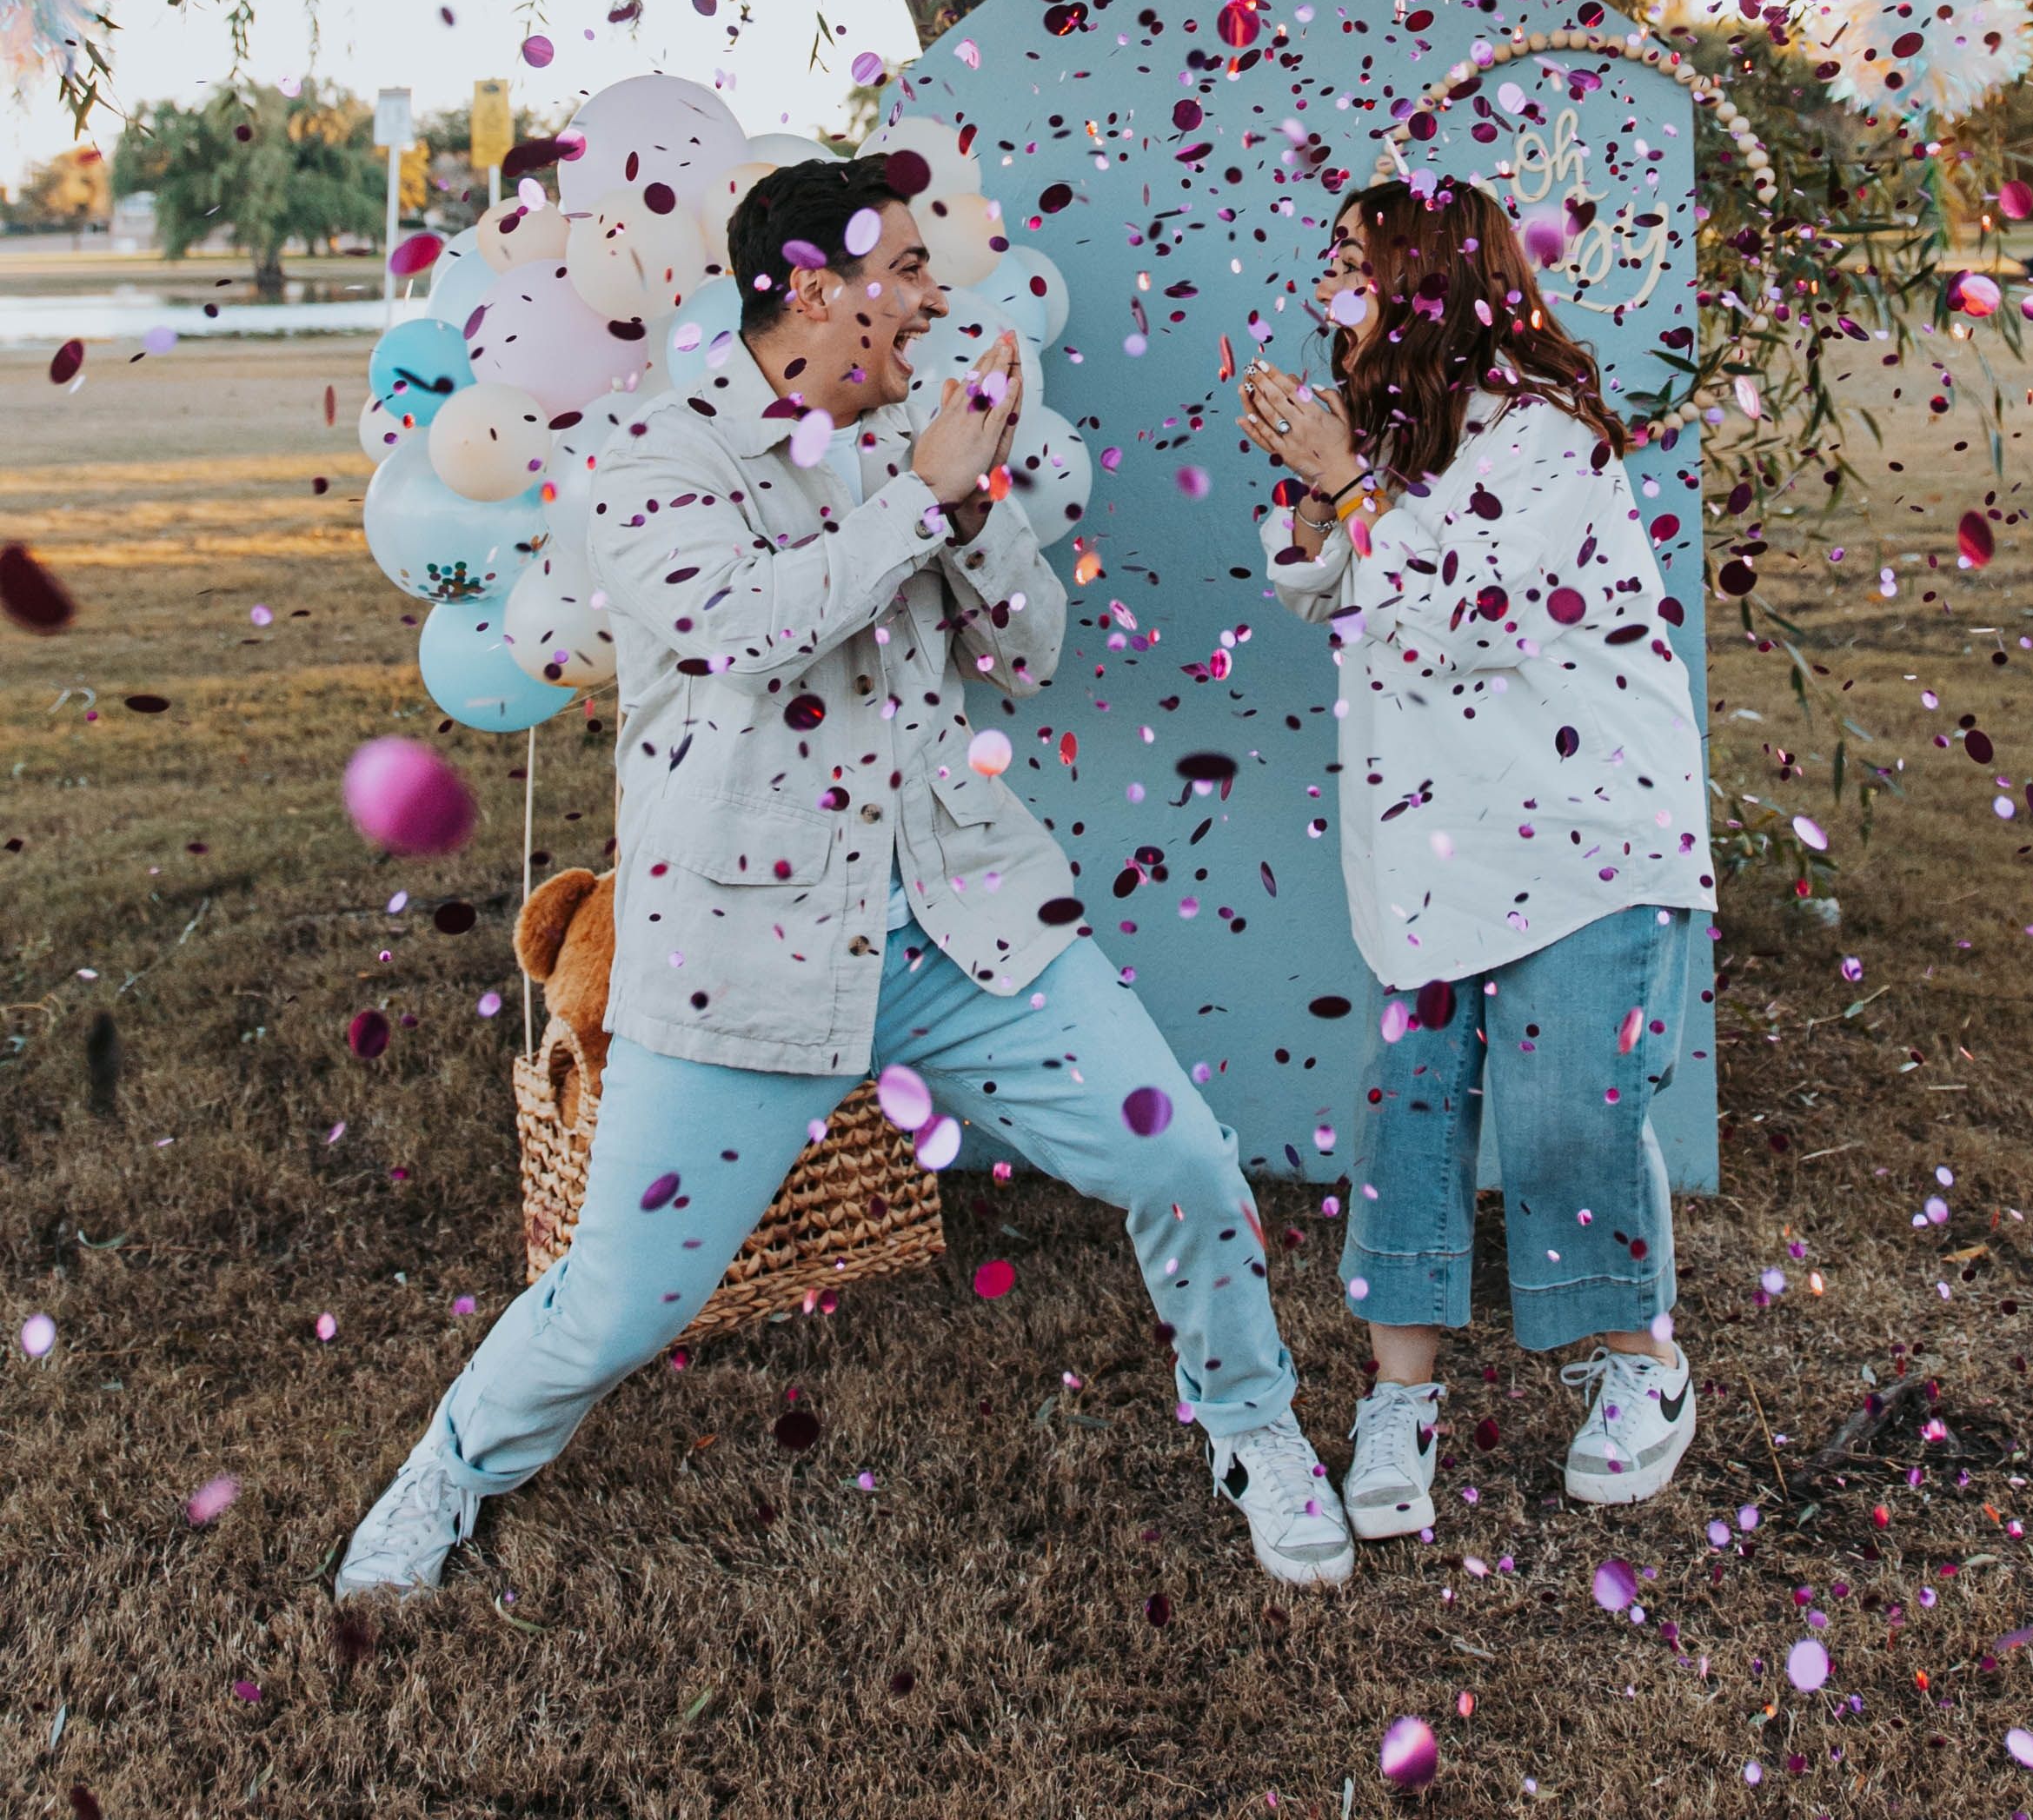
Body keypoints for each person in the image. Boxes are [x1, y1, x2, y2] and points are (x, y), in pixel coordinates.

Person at [340, 155, 1353, 1597]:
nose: (939, 302)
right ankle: (447, 1470)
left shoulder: (917, 452)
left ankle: (1254, 1427)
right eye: (912, 276)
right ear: (818, 288)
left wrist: (979, 492)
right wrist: (919, 500)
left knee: (1184, 1160)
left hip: (966, 922)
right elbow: (748, 630)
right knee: (625, 1300)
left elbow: (1026, 655)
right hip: (740, 952)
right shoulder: (652, 462)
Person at [1236, 175, 1716, 1538]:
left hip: (1583, 834)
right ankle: (1404, 1396)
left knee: (1571, 1108)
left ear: (1431, 277)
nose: (1337, 280)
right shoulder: (1399, 435)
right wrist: (1318, 489)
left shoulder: (1549, 435)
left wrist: (1346, 477)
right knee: (1415, 1106)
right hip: (1440, 841)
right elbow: (1314, 579)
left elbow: (1476, 611)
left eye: (1358, 258)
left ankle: (1640, 1366)